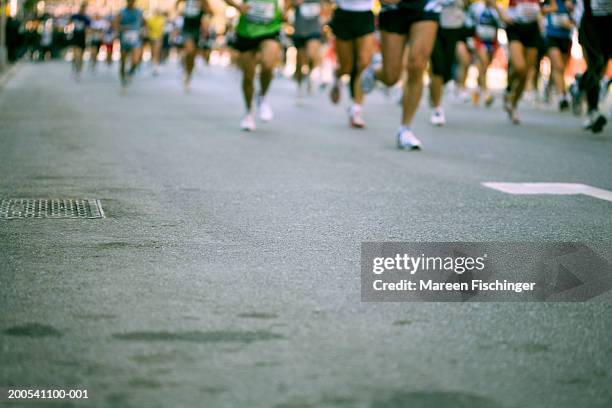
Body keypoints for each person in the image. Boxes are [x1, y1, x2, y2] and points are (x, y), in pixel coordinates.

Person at [225, 0, 284, 131]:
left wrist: (286, 8)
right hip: (247, 32)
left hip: (270, 29)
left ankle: (262, 97)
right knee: (248, 75)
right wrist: (237, 6)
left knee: (268, 64)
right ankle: (248, 112)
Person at [494, 0, 556, 124]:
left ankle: (513, 105)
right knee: (519, 67)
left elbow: (553, 6)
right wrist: (501, 13)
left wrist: (543, 10)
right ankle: (509, 89)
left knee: (526, 73)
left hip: (533, 28)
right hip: (514, 26)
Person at [328, 0, 375, 128]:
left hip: (365, 14)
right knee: (346, 68)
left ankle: (356, 110)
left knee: (364, 62)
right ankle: (338, 76)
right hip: (344, 14)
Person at [571, 0, 610, 133]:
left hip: (608, 24)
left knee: (601, 67)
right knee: (596, 63)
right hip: (590, 23)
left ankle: (579, 85)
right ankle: (593, 111)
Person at [429, 0, 468, 126]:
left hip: (454, 25)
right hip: (432, 22)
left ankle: (435, 91)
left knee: (446, 68)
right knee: (437, 66)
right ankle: (437, 109)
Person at [286, 0, 323, 102]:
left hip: (314, 29)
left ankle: (310, 75)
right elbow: (286, 6)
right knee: (300, 62)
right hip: (300, 30)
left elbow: (328, 5)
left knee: (312, 54)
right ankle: (299, 86)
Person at [470, 0, 502, 107]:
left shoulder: (497, 10)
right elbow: (470, 22)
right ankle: (486, 92)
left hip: (492, 41)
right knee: (483, 62)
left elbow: (500, 25)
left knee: (484, 66)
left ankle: (477, 90)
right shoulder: (476, 8)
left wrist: (497, 44)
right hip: (479, 40)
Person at [545, 0, 574, 111]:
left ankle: (550, 85)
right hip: (552, 35)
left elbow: (580, 15)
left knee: (561, 68)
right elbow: (540, 9)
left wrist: (571, 23)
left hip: (566, 37)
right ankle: (562, 96)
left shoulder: (572, 2)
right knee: (558, 66)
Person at [177, 0, 210, 90]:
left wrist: (205, 28)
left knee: (192, 55)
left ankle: (188, 74)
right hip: (187, 29)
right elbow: (177, 3)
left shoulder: (203, 2)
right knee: (189, 50)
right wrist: (178, 11)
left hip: (197, 31)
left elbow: (208, 12)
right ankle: (183, 64)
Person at [113, 0, 145, 88]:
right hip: (124, 38)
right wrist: (121, 28)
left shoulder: (139, 12)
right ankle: (123, 78)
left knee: (136, 59)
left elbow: (144, 24)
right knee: (123, 60)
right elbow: (115, 24)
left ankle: (130, 73)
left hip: (136, 38)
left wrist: (143, 31)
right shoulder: (122, 12)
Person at [70, 3, 91, 79]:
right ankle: (74, 68)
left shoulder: (86, 19)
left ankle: (79, 71)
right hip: (75, 37)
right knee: (75, 54)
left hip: (82, 38)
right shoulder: (75, 16)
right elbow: (69, 23)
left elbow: (88, 29)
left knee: (81, 55)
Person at [146, 9, 166, 75]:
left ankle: (155, 66)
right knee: (153, 52)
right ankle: (154, 65)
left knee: (156, 52)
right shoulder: (151, 19)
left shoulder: (162, 19)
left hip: (158, 38)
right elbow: (148, 27)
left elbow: (163, 28)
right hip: (152, 37)